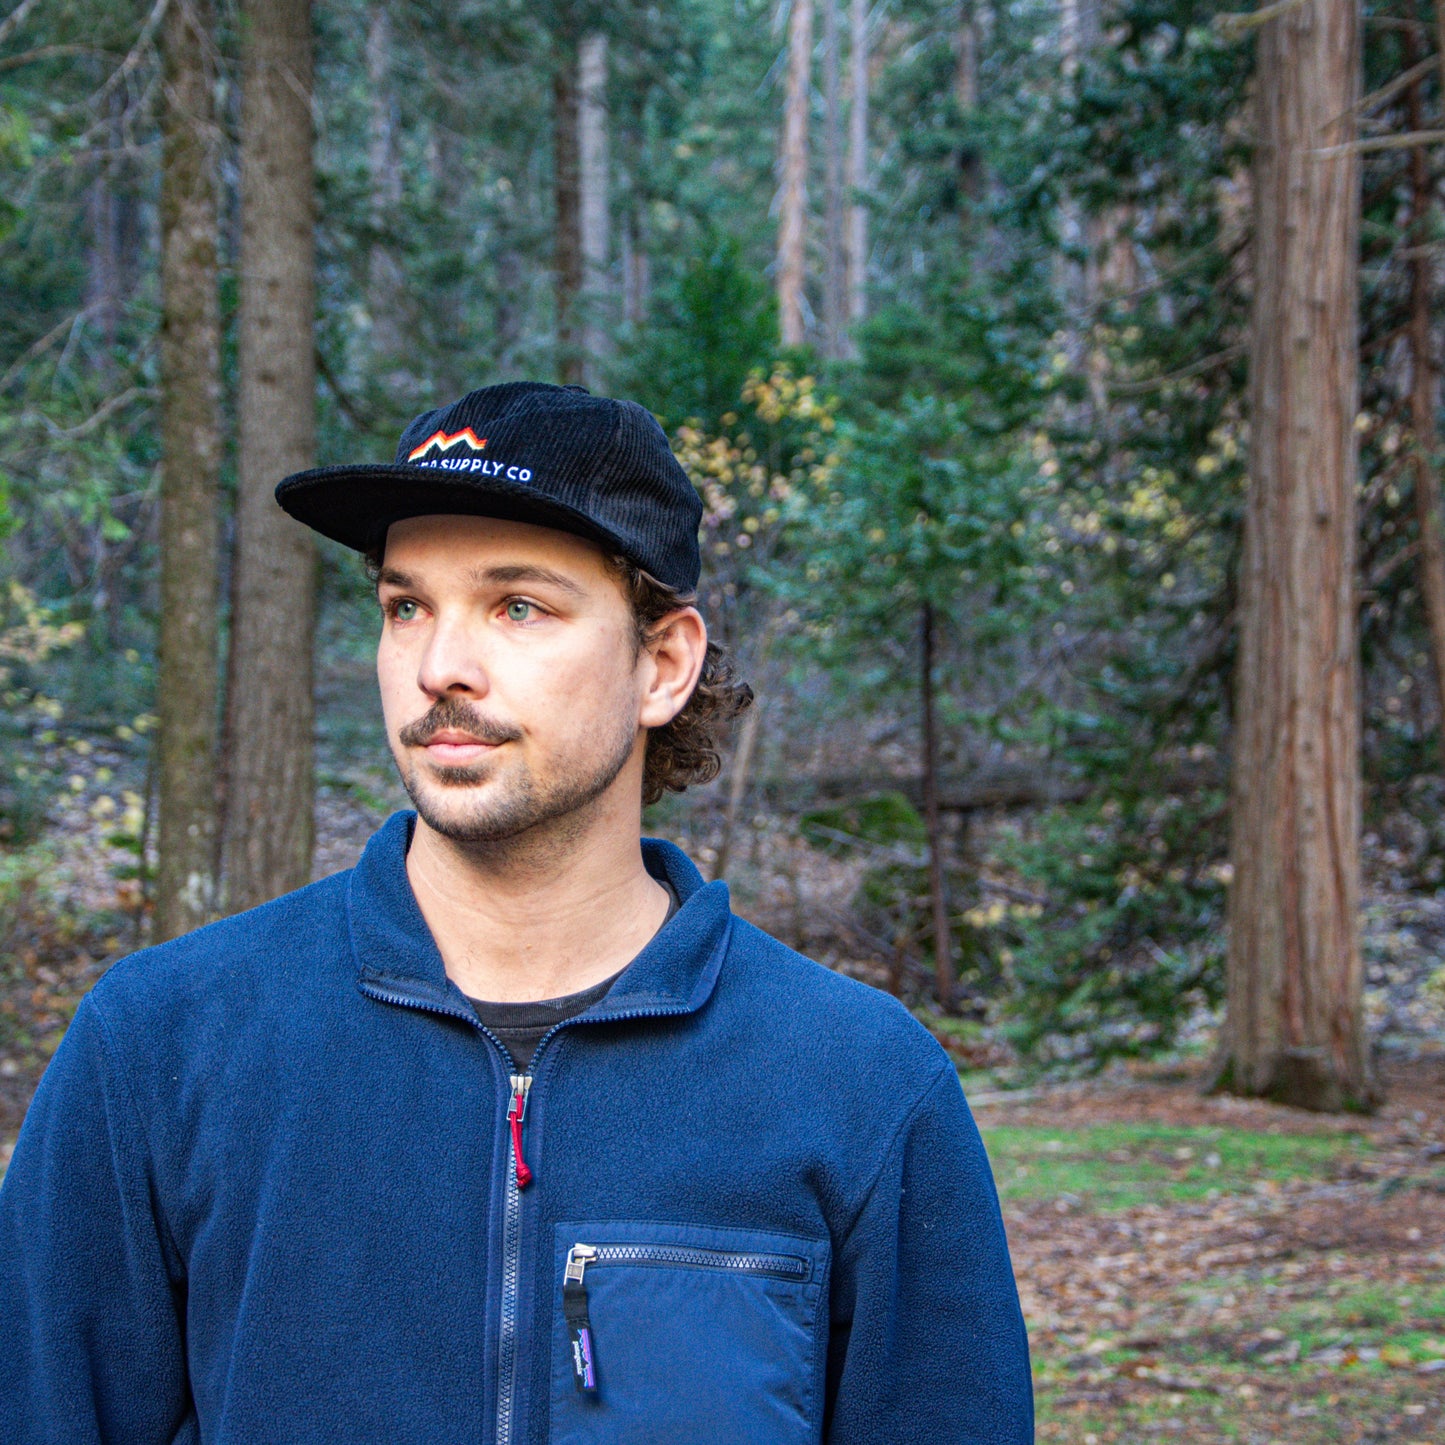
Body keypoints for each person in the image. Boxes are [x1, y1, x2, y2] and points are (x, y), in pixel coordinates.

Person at [0, 381, 1033, 1443]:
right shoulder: (161, 1046)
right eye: (406, 605)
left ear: (663, 663)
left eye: (516, 605)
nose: (439, 666)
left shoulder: (859, 1087)